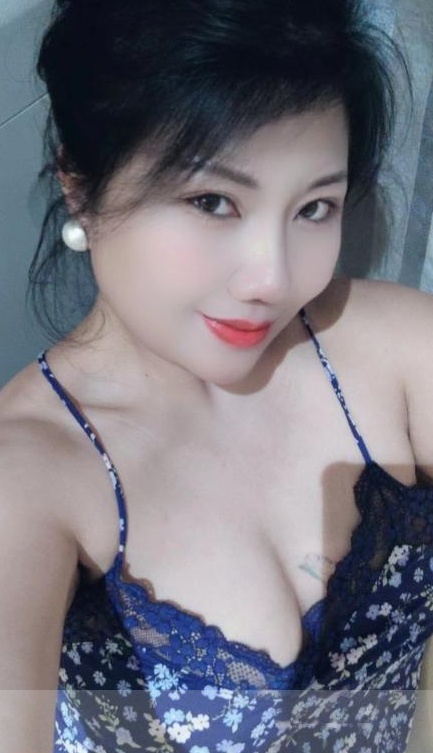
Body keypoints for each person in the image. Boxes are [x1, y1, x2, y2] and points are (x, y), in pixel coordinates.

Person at [1, 0, 433, 750]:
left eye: (314, 207)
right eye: (212, 201)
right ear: (80, 184)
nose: (272, 278)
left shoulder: (398, 346)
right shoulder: (31, 473)